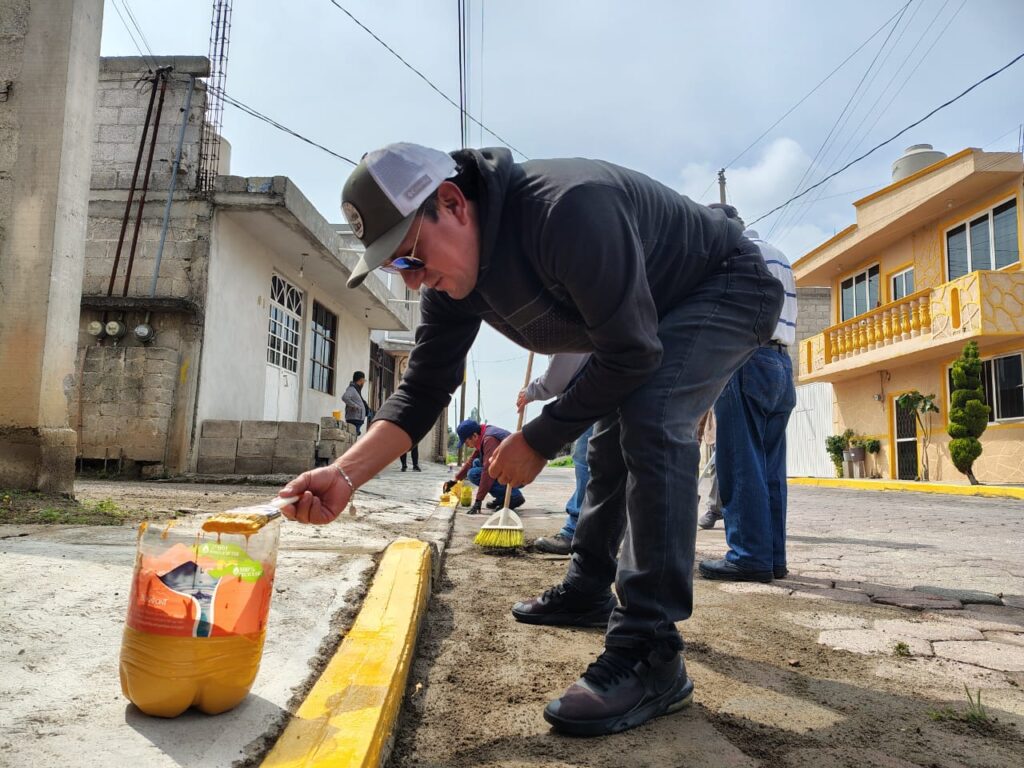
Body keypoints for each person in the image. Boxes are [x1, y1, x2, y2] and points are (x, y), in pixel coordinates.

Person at [277, 143, 783, 737]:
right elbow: (423, 390)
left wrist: (539, 438)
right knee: (608, 440)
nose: (412, 278)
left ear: (452, 203)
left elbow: (631, 353)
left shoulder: (566, 212)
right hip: (652, 318)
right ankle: (589, 588)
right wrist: (343, 475)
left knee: (652, 417)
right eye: (394, 267)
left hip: (728, 283)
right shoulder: (450, 285)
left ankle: (651, 650)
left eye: (410, 253)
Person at [698, 204, 798, 583]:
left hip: (746, 359)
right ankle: (772, 558)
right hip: (781, 363)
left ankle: (747, 557)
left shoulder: (734, 252)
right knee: (770, 468)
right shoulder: (779, 254)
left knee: (740, 462)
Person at [516, 352, 591, 555]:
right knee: (596, 462)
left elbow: (560, 372)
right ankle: (587, 534)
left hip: (599, 391)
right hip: (598, 390)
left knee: (587, 460)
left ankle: (576, 532)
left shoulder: (563, 334)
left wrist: (532, 391)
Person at [444, 419, 525, 514]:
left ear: (474, 436)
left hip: (520, 474)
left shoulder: (489, 440)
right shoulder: (483, 436)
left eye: (466, 442)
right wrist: (455, 480)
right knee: (476, 462)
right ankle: (502, 498)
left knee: (473, 474)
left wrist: (478, 501)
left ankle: (514, 496)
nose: (467, 446)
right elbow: (470, 462)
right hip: (510, 469)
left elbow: (488, 471)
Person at [697, 408, 723, 529]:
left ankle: (715, 509)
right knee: (717, 468)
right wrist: (698, 435)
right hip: (716, 432)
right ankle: (715, 509)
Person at [342, 371, 370, 435]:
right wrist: (355, 406)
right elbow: (345, 397)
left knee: (353, 437)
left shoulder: (356, 389)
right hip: (354, 419)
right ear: (361, 380)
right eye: (364, 381)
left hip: (356, 419)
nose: (364, 383)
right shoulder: (352, 388)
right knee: (352, 437)